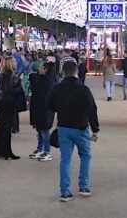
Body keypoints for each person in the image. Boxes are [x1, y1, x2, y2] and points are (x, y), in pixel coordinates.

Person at [47, 60, 99, 202]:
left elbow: (49, 105)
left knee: (65, 159)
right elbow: (92, 110)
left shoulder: (57, 88)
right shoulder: (84, 89)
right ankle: (83, 186)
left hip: (63, 128)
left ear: (63, 72)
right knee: (85, 156)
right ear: (77, 72)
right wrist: (95, 129)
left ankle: (65, 191)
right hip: (81, 128)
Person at [0, 56, 20, 160]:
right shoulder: (9, 73)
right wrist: (19, 87)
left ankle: (0, 150)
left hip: (3, 102)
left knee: (2, 126)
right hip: (8, 102)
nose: (16, 63)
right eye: (14, 61)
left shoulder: (2, 73)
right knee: (6, 127)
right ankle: (6, 151)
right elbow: (8, 88)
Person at [28, 62, 54, 161]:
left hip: (45, 108)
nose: (39, 68)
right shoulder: (40, 78)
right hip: (38, 106)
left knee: (44, 129)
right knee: (39, 128)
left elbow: (35, 86)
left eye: (41, 67)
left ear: (45, 69)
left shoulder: (48, 80)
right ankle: (40, 148)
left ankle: (47, 151)